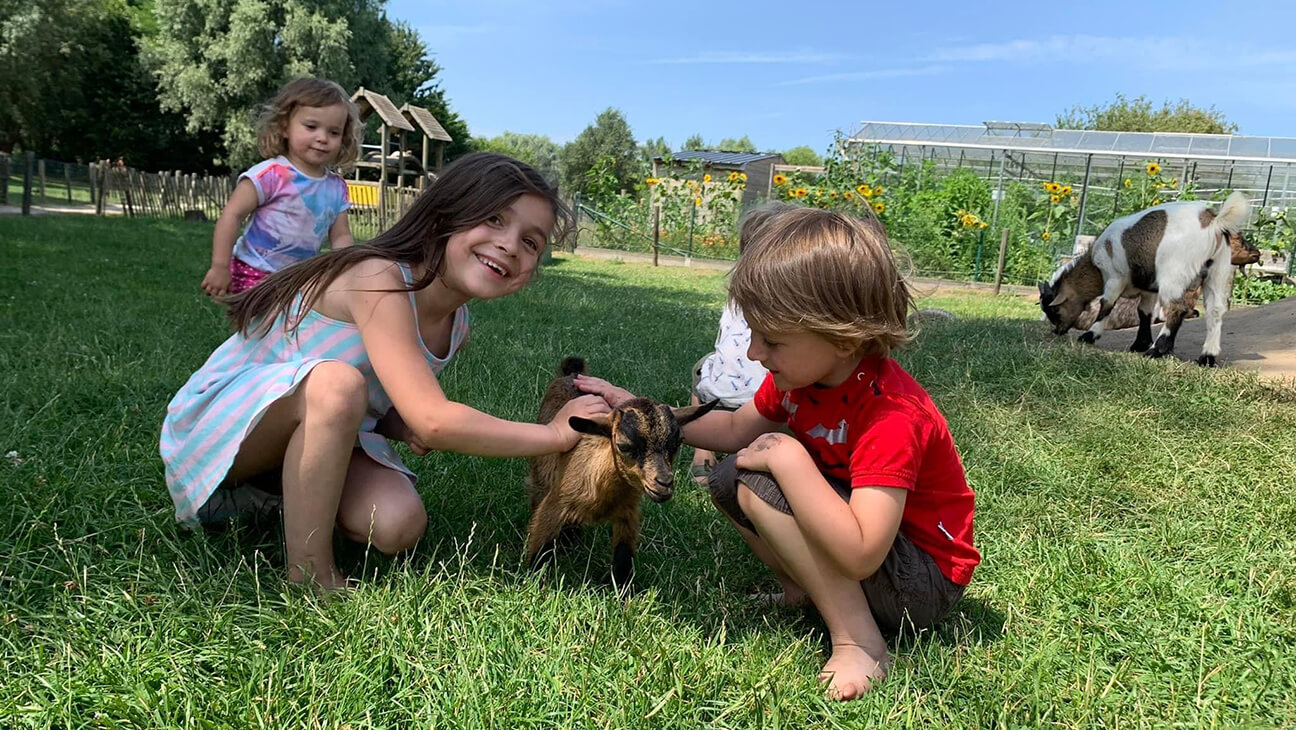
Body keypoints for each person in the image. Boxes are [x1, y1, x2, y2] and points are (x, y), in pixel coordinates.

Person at [576, 207, 979, 701]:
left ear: (842, 334)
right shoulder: (800, 381)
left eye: (772, 340)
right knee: (731, 477)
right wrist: (638, 409)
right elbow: (730, 428)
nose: (753, 355)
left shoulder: (890, 413)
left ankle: (861, 643)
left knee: (762, 480)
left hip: (918, 583)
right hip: (875, 557)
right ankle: (802, 592)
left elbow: (861, 552)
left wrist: (790, 459)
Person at [162, 153, 610, 590]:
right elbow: (433, 421)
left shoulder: (457, 327)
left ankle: (274, 498)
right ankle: (310, 574)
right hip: (223, 427)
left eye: (531, 242)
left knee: (398, 523)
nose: (510, 244)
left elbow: (385, 395)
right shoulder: (376, 276)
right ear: (443, 216)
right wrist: (553, 435)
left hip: (317, 428)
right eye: (493, 219)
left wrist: (396, 422)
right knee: (337, 384)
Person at [200, 77, 361, 297]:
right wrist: (220, 266)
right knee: (260, 330)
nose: (322, 138)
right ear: (285, 127)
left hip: (299, 278)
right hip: (253, 272)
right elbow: (232, 215)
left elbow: (341, 235)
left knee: (295, 330)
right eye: (311, 127)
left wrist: (345, 271)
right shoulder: (270, 175)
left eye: (334, 132)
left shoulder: (336, 187)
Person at [686, 203, 792, 485]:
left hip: (725, 403)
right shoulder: (795, 297)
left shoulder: (738, 293)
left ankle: (702, 454)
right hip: (768, 412)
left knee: (702, 366)